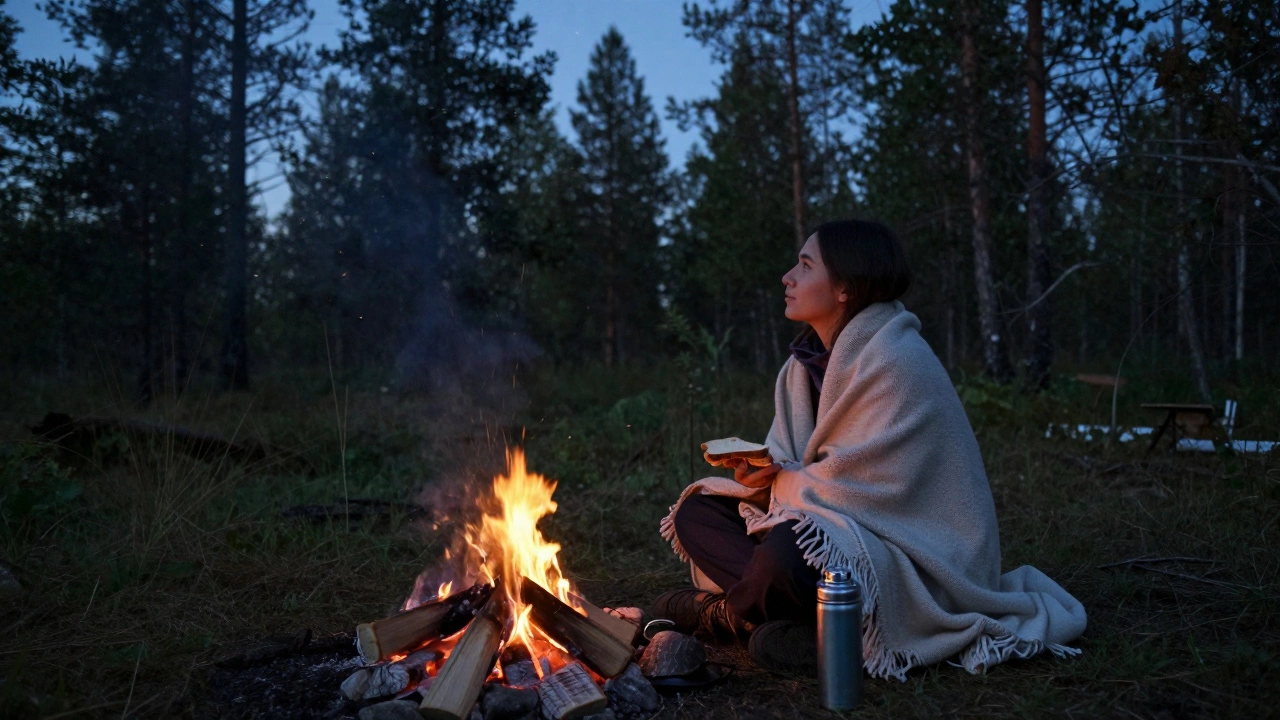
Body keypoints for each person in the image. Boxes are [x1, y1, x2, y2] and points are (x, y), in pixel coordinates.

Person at [652, 219, 1086, 679]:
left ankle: (728, 615)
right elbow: (798, 470)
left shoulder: (899, 361)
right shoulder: (800, 369)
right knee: (697, 511)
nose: (788, 277)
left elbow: (874, 488)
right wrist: (761, 480)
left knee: (785, 552)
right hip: (827, 525)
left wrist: (785, 484)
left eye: (804, 265)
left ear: (845, 287)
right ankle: (795, 625)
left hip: (905, 550)